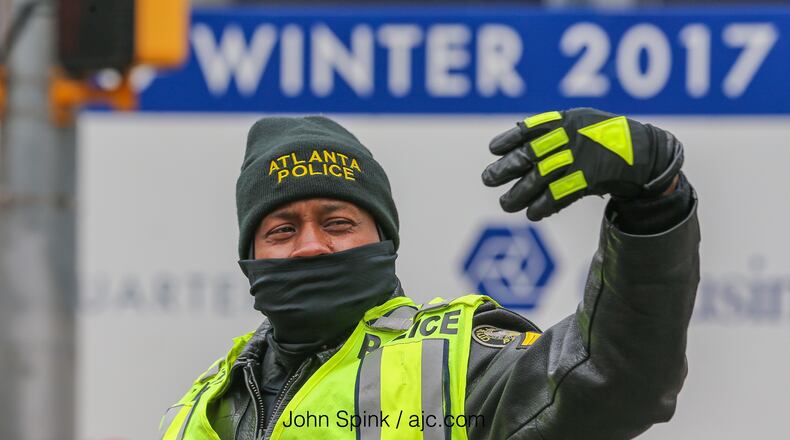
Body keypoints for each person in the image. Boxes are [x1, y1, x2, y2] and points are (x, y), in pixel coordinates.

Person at [159, 108, 700, 440]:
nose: (311, 247)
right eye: (281, 230)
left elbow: (615, 380)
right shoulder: (206, 402)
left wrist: (655, 203)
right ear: (248, 256)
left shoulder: (458, 361)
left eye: (338, 222)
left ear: (385, 241)